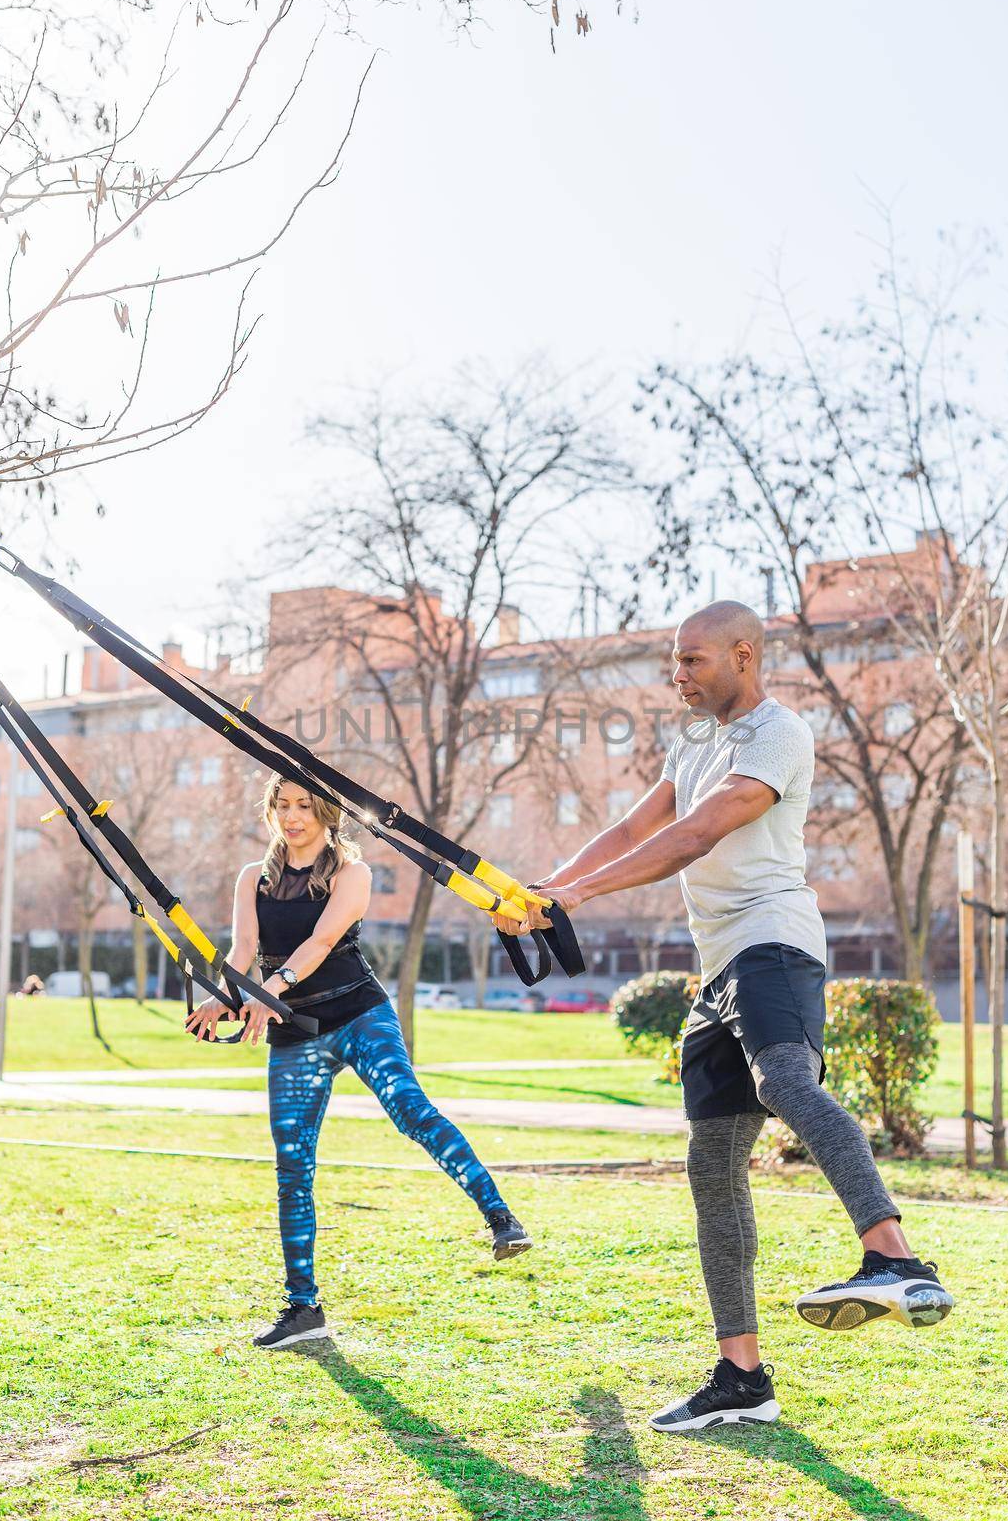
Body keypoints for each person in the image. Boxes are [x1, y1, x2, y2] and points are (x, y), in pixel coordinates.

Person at [497, 600, 954, 1432]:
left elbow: (698, 833)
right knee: (711, 1166)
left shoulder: (780, 733)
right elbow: (637, 825)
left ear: (744, 655)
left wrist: (573, 896)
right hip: (717, 972)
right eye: (674, 660)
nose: (677, 674)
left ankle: (895, 1258)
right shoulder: (694, 739)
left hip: (773, 943)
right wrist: (540, 891)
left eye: (693, 660)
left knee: (785, 1082)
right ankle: (742, 1377)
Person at [186, 773, 531, 1349]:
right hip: (294, 1032)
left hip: (360, 1016)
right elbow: (243, 953)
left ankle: (500, 1218)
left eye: (304, 806)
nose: (292, 817)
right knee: (292, 1166)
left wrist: (267, 993)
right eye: (282, 805)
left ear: (327, 814)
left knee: (409, 1110)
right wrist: (223, 998)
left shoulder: (354, 873)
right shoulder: (254, 877)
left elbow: (319, 944)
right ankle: (303, 1307)